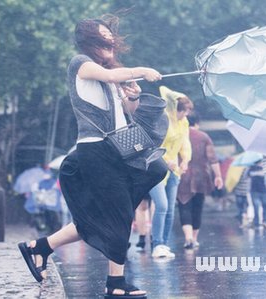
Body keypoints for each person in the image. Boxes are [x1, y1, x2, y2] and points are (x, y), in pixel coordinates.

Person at [18, 17, 168, 299]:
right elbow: (112, 76)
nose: (109, 44)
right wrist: (141, 70)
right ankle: (115, 283)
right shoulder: (81, 64)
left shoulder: (109, 75)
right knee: (119, 214)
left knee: (153, 172)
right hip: (95, 150)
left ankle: (39, 247)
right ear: (90, 43)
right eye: (102, 39)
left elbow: (127, 112)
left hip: (116, 149)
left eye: (111, 39)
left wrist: (133, 96)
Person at [150, 86, 193, 258]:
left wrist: (186, 160)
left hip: (174, 171)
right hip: (158, 167)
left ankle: (164, 244)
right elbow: (154, 144)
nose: (186, 114)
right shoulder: (162, 120)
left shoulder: (183, 122)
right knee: (161, 206)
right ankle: (157, 244)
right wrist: (167, 161)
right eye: (184, 111)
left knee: (170, 210)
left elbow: (185, 142)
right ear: (176, 109)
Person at [177, 113, 223, 249]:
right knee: (197, 207)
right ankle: (195, 239)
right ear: (197, 123)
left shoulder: (180, 135)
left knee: (184, 206)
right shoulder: (204, 137)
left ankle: (188, 237)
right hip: (201, 177)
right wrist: (218, 176)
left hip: (182, 175)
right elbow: (213, 159)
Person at [248, 161, 266, 228]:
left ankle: (261, 222)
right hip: (258, 191)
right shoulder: (252, 168)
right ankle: (261, 222)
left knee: (263, 207)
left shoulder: (251, 169)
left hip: (261, 191)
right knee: (259, 207)